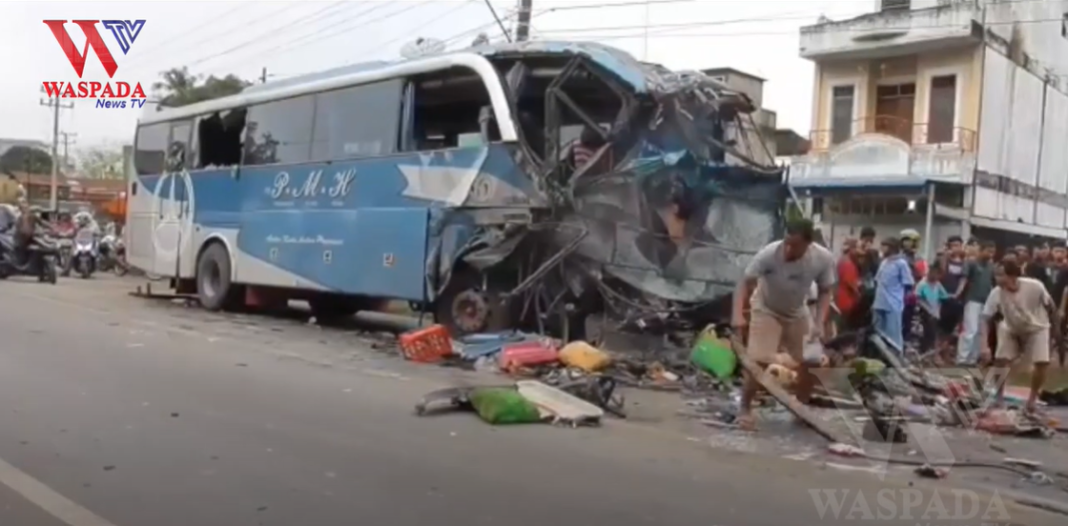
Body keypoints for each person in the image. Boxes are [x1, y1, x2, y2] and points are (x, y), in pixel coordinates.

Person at [731, 218, 836, 431]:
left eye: (795, 246)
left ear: (808, 244)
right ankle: (745, 408)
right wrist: (738, 315)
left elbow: (826, 290)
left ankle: (800, 406)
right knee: (757, 361)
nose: (788, 249)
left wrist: (819, 322)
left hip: (797, 311)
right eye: (787, 243)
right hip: (766, 308)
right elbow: (744, 282)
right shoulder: (769, 254)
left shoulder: (822, 258)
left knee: (812, 360)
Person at [980, 259, 1060, 414]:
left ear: (1012, 276)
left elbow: (1052, 308)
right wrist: (984, 346)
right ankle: (999, 397)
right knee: (1001, 359)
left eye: (1001, 275)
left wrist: (1056, 334)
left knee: (1042, 362)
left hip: (1038, 326)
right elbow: (985, 318)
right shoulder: (996, 292)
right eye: (996, 275)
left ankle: (1032, 400)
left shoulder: (1034, 286)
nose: (997, 279)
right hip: (1011, 327)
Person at [957, 240, 997, 366]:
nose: (990, 255)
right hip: (972, 299)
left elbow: (992, 284)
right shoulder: (971, 263)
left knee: (981, 331)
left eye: (992, 252)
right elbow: (963, 280)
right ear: (981, 250)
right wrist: (957, 294)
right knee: (970, 330)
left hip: (985, 301)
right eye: (988, 251)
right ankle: (962, 358)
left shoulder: (991, 266)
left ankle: (973, 359)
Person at [872, 237, 915, 352]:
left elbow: (908, 283)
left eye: (884, 246)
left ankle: (896, 357)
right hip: (879, 302)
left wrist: (904, 300)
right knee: (878, 333)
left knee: (893, 334)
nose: (882, 248)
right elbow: (877, 280)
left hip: (893, 303)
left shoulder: (901, 264)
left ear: (892, 248)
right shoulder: (884, 262)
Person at [916, 266, 951, 357]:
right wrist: (927, 309)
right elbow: (917, 298)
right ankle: (922, 352)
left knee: (933, 333)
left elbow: (945, 296)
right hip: (924, 310)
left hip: (935, 310)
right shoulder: (922, 284)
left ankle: (928, 353)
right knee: (927, 332)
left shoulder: (937, 284)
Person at [836, 238, 866, 332]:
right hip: (846, 299)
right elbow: (850, 283)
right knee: (845, 325)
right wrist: (858, 294)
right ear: (851, 249)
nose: (859, 252)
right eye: (857, 248)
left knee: (842, 324)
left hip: (840, 297)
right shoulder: (848, 263)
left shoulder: (842, 260)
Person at [940, 236, 967, 338]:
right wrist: (945, 257)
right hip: (943, 295)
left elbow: (964, 279)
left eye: (958, 245)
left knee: (953, 328)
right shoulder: (944, 259)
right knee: (941, 327)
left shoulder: (965, 262)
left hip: (957, 298)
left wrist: (957, 294)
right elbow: (941, 272)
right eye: (953, 245)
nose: (956, 248)